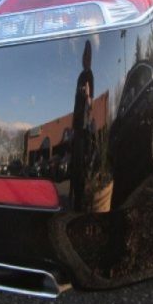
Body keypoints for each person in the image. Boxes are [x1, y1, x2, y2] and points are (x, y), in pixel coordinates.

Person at [69, 41, 94, 210]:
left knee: (80, 162)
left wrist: (88, 96)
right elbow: (75, 101)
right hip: (76, 124)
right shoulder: (79, 76)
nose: (84, 60)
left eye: (87, 57)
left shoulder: (89, 75)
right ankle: (74, 197)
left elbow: (90, 101)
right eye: (83, 57)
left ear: (90, 59)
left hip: (83, 125)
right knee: (74, 162)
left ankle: (80, 199)